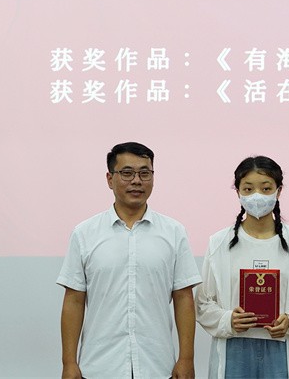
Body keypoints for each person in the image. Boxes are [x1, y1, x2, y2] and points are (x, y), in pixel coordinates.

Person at [57, 142, 202, 379]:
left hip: (157, 365)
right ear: (109, 179)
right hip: (100, 366)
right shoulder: (84, 233)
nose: (136, 181)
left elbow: (183, 298)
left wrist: (186, 358)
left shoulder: (174, 232)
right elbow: (74, 300)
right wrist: (69, 362)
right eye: (127, 173)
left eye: (144, 173)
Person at [196, 155, 289, 379]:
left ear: (278, 191)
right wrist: (228, 319)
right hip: (233, 349)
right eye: (248, 189)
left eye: (266, 189)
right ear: (238, 192)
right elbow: (203, 302)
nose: (257, 196)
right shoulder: (219, 242)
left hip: (280, 347)